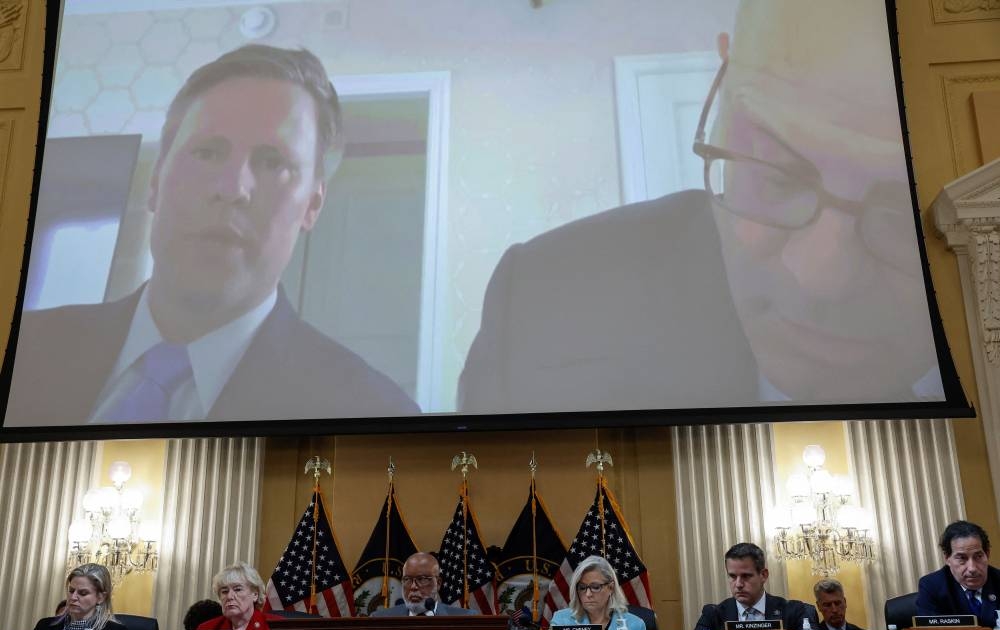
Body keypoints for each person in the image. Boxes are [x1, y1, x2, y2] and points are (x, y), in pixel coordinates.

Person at [457, 1, 945, 414]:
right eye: (776, 177)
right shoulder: (546, 308)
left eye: (901, 211)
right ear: (720, 104)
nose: (824, 276)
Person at [5, 44, 418, 427]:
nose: (232, 188)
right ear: (155, 180)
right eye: (207, 152)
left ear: (312, 205)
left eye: (273, 162)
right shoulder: (18, 352)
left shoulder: (374, 413)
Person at [691, 542, 817, 630]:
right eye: (733, 576)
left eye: (746, 576)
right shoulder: (714, 615)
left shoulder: (792, 611)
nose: (739, 584)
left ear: (763, 575)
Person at [916, 520, 1000, 627]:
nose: (972, 568)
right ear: (947, 558)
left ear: (987, 554)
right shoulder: (932, 587)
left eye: (978, 556)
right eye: (962, 558)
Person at [549, 555, 647, 630]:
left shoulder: (635, 626)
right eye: (582, 588)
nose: (588, 594)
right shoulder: (561, 620)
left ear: (611, 587)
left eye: (595, 587)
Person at [32, 563, 128, 630]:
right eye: (71, 591)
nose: (73, 597)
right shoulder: (44, 626)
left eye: (83, 593)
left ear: (100, 597)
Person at [197, 562, 281, 630]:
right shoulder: (207, 629)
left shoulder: (277, 627)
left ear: (255, 594)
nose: (229, 596)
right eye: (224, 591)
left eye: (238, 589)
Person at [371, 552, 477, 617]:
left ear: (438, 583)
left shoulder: (465, 619)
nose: (413, 587)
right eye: (407, 579)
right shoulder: (381, 620)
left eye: (421, 579)